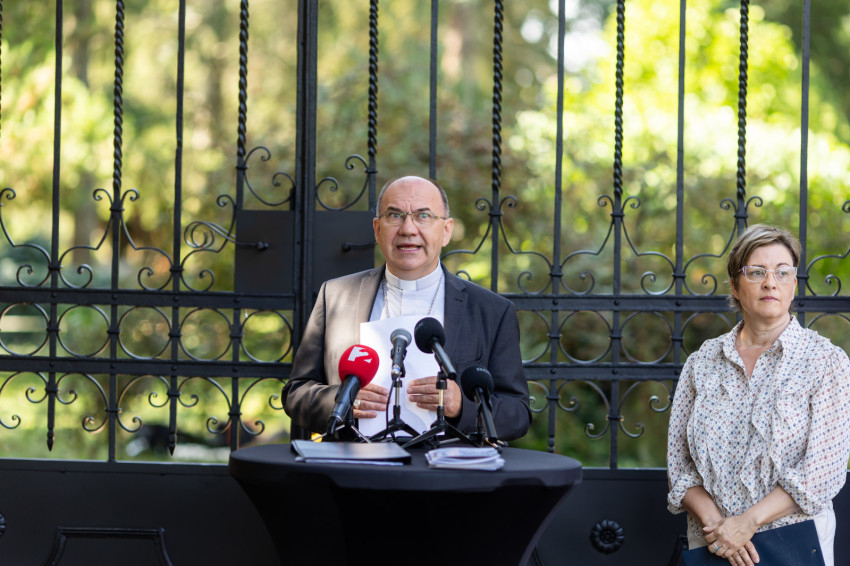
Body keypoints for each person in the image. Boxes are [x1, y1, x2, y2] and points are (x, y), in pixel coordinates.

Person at [282, 175, 531, 441]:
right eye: (395, 215)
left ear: (446, 231)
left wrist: (462, 406)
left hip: (446, 464)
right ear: (377, 229)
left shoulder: (492, 311)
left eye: (423, 216)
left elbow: (517, 413)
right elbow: (297, 393)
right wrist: (341, 401)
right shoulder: (335, 296)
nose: (408, 229)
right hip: (355, 461)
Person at [667, 224, 850, 566]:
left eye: (782, 272)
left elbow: (823, 472)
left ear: (794, 285)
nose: (770, 282)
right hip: (712, 543)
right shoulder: (702, 363)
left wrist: (746, 523)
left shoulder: (825, 361)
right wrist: (720, 527)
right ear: (735, 286)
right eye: (756, 272)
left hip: (793, 542)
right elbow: (680, 467)